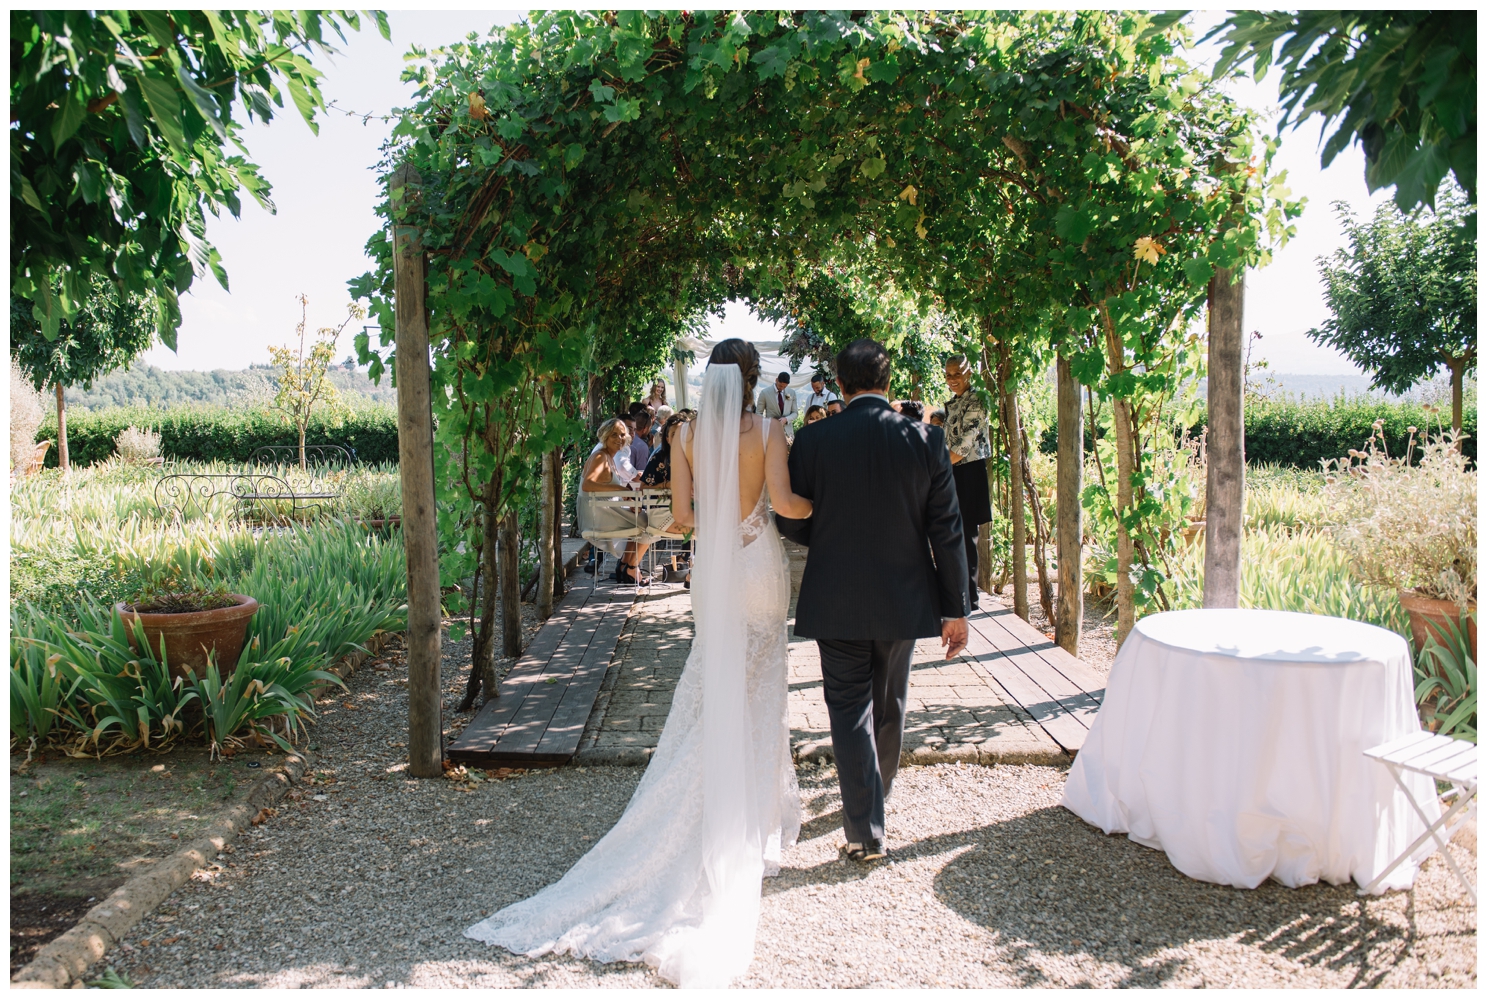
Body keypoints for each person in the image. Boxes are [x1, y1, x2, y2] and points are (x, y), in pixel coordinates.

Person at [467, 339, 813, 988]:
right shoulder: (768, 430)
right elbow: (786, 504)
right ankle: (753, 822)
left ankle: (712, 811)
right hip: (760, 564)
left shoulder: (682, 439)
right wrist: (819, 505)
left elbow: (681, 519)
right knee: (762, 686)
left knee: (714, 687)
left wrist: (707, 523)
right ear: (751, 379)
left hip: (713, 566)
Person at [775, 338, 969, 865]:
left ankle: (865, 828)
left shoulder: (813, 441)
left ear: (840, 384)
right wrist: (956, 608)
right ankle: (873, 804)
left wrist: (829, 536)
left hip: (834, 590)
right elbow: (946, 529)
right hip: (904, 594)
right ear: (888, 382)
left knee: (847, 708)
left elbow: (788, 516)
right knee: (890, 704)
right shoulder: (926, 439)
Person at [942, 354, 993, 610]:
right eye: (948, 375)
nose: (952, 379)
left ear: (969, 373)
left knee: (967, 535)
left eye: (957, 374)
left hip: (969, 472)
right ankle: (958, 592)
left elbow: (963, 445)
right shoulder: (954, 403)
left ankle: (970, 598)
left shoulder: (977, 402)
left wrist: (937, 467)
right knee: (954, 533)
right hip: (953, 471)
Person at [576, 418, 652, 585]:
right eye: (614, 435)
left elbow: (606, 486)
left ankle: (626, 566)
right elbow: (588, 485)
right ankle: (631, 567)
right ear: (604, 437)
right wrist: (623, 491)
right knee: (650, 524)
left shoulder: (609, 456)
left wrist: (626, 498)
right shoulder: (600, 457)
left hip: (604, 510)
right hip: (597, 517)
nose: (619, 439)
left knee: (642, 518)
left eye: (622, 435)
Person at [628, 404, 654, 472]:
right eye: (650, 428)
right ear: (645, 429)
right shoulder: (641, 446)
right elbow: (642, 475)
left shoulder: (622, 438)